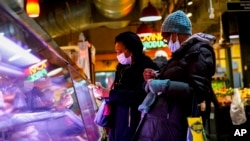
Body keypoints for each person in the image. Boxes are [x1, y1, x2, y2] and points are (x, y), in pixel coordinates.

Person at [135, 10, 216, 141]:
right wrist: (156, 76)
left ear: (175, 34)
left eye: (166, 39)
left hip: (180, 126)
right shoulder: (180, 55)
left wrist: (164, 85)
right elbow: (178, 77)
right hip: (168, 123)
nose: (167, 44)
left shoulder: (200, 53)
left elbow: (199, 93)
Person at [93, 31, 159, 141]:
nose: (117, 55)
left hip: (135, 124)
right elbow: (119, 92)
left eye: (119, 51)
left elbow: (141, 96)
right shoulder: (122, 68)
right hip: (119, 123)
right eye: (116, 51)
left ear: (131, 50)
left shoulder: (147, 68)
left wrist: (109, 93)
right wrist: (104, 93)